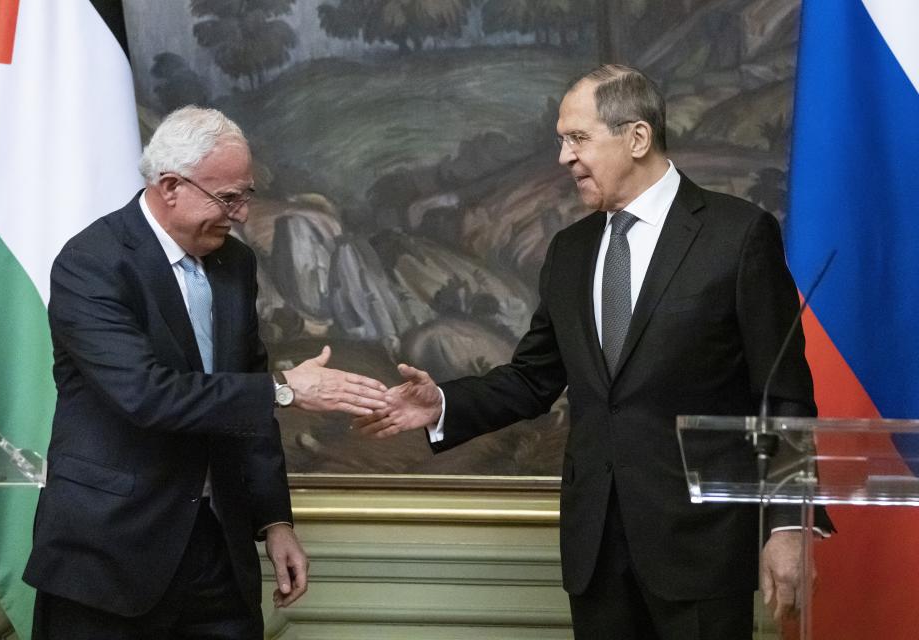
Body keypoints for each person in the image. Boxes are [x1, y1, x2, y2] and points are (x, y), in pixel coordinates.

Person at [354, 65, 832, 639]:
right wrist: (443, 407)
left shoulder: (737, 235)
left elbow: (782, 397)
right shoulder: (570, 250)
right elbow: (533, 379)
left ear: (637, 137)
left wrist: (787, 525)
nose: (563, 157)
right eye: (562, 140)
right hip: (597, 551)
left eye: (577, 138)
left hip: (700, 549)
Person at [23, 106, 388, 639]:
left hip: (219, 553)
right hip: (109, 556)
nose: (240, 214)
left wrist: (274, 521)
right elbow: (147, 395)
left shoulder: (233, 265)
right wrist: (285, 390)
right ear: (170, 186)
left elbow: (245, 400)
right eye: (228, 197)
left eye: (246, 196)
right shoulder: (92, 263)